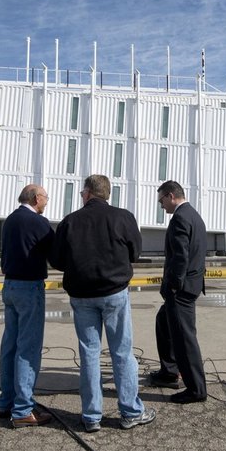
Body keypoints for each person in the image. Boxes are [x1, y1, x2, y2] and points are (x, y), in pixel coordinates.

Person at [49, 175, 155, 433]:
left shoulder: (70, 221)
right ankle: (130, 411)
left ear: (87, 193)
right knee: (121, 351)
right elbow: (135, 252)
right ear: (107, 194)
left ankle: (91, 416)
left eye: (82, 193)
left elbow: (57, 260)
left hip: (82, 296)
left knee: (89, 353)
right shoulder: (123, 217)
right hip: (114, 292)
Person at [0, 184, 54, 428]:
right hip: (30, 288)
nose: (46, 202)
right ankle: (22, 409)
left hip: (9, 286)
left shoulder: (9, 220)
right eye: (45, 198)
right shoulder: (38, 223)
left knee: (10, 345)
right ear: (35, 198)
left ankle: (7, 402)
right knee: (28, 349)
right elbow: (57, 254)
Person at [149, 180, 207, 404]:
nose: (161, 205)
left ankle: (196, 389)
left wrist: (173, 284)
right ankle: (169, 371)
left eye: (162, 200)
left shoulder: (181, 218)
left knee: (184, 339)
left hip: (181, 290)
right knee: (163, 322)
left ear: (171, 195)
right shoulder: (194, 215)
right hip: (190, 285)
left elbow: (181, 256)